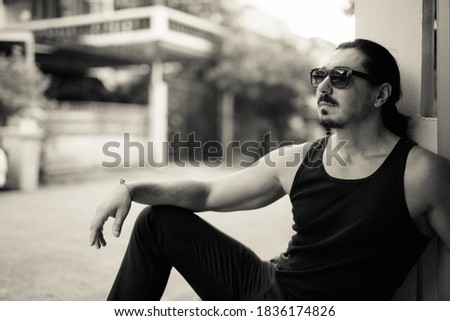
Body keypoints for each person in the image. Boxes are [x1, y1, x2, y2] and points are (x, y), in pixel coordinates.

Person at [90, 39, 450, 300]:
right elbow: (208, 193)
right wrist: (131, 188)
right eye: (320, 75)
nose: (323, 86)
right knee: (158, 223)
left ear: (381, 94)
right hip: (263, 288)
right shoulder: (297, 159)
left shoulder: (422, 174)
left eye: (341, 76)